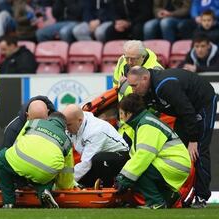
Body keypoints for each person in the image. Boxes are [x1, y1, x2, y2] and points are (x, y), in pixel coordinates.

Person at [126, 66, 217, 208]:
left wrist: (193, 140)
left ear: (145, 78)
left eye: (134, 85)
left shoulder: (165, 85)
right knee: (178, 149)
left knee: (199, 150)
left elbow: (187, 111)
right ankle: (176, 194)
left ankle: (201, 196)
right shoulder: (146, 88)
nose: (133, 90)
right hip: (184, 111)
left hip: (202, 102)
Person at [116, 94, 191, 209]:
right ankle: (170, 197)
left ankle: (156, 203)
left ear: (129, 113)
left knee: (138, 171)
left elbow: (143, 156)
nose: (121, 117)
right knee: (136, 171)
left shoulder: (146, 125)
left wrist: (124, 178)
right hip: (175, 163)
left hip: (174, 164)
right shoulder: (144, 121)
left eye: (121, 113)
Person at [0, 112, 72, 208]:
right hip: (44, 173)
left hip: (20, 161)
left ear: (48, 119)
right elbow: (66, 175)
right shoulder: (67, 142)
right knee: (50, 172)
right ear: (65, 128)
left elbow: (17, 143)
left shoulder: (33, 123)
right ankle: (44, 191)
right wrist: (65, 186)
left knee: (0, 158)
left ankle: (8, 202)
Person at [62, 104, 129, 188]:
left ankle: (108, 188)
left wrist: (65, 182)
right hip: (99, 159)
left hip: (120, 158)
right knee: (82, 181)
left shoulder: (95, 131)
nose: (66, 129)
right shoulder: (75, 123)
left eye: (68, 125)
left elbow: (86, 163)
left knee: (98, 159)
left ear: (79, 120)